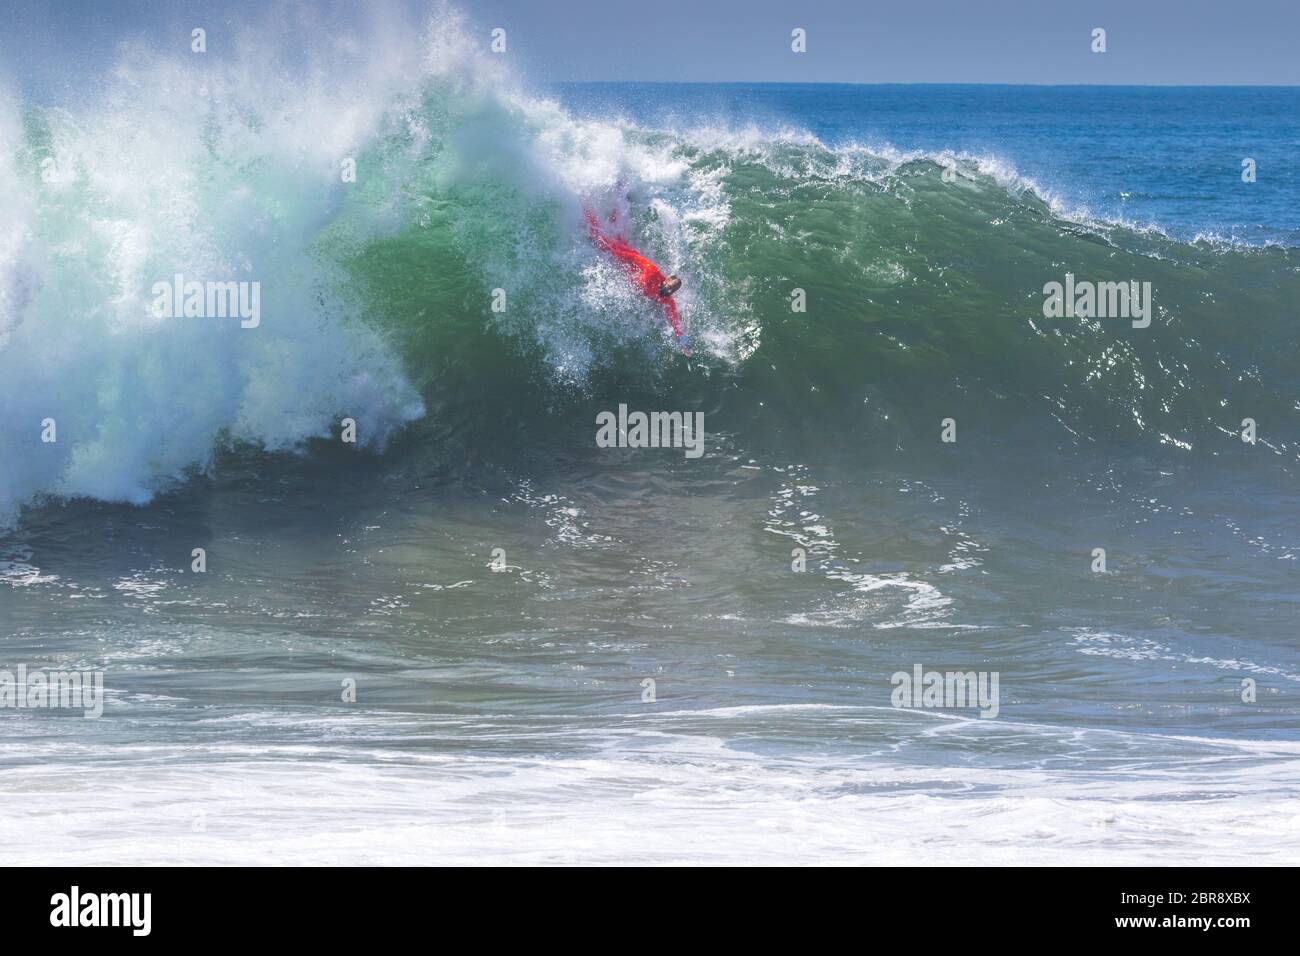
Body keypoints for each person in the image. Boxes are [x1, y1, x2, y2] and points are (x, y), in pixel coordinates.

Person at [584, 206, 690, 354]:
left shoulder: (667, 300)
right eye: (669, 288)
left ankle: (617, 200)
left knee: (614, 228)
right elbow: (633, 257)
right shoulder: (652, 270)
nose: (669, 292)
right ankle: (586, 203)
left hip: (626, 266)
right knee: (598, 236)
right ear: (665, 281)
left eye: (672, 291)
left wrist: (684, 345)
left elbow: (676, 324)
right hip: (624, 254)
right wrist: (611, 252)